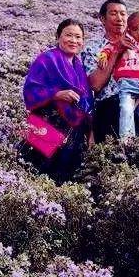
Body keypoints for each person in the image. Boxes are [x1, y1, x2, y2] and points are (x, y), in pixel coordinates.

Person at [21, 18, 93, 182]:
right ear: (58, 36)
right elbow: (30, 91)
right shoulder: (46, 59)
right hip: (46, 123)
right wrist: (56, 94)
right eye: (69, 35)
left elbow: (87, 99)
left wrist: (91, 129)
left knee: (62, 177)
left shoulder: (78, 66)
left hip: (74, 130)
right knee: (36, 171)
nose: (74, 40)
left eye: (78, 37)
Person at [81, 0, 139, 142]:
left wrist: (138, 96)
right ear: (102, 18)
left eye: (123, 14)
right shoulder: (93, 47)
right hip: (109, 108)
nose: (119, 18)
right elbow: (96, 84)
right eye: (113, 13)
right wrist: (117, 51)